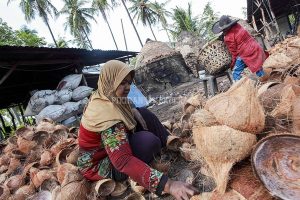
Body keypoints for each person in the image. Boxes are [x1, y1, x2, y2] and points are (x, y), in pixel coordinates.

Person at [77, 60, 199, 200]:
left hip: (108, 148)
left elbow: (126, 103)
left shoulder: (103, 95)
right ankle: (158, 148)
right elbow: (123, 161)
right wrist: (169, 185)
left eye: (129, 82)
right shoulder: (106, 115)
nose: (127, 87)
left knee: (143, 114)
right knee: (149, 142)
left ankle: (172, 143)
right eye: (122, 83)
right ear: (110, 81)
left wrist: (133, 108)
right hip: (99, 165)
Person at [212, 15, 271, 82]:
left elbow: (235, 53)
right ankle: (265, 80)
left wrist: (232, 64)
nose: (223, 31)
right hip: (255, 47)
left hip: (245, 53)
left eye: (223, 29)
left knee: (235, 73)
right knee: (257, 67)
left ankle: (241, 87)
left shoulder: (228, 38)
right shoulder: (238, 26)